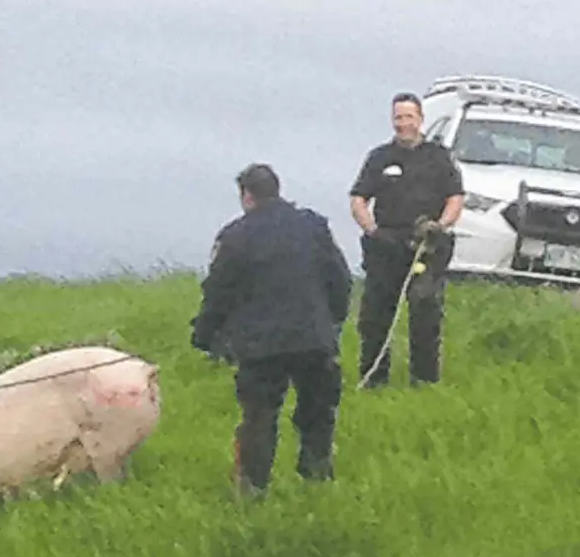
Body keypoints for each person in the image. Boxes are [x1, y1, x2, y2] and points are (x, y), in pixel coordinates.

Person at [190, 163, 353, 499]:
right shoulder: (313, 226)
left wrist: (204, 336)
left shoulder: (235, 236)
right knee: (318, 412)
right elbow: (340, 278)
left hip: (261, 345)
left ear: (246, 196)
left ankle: (253, 489)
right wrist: (332, 321)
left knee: (260, 417)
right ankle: (317, 478)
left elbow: (218, 292)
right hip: (313, 337)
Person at [349, 91, 465, 388]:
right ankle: (374, 378)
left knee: (425, 312)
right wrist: (371, 228)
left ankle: (424, 381)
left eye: (408, 117)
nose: (403, 124)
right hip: (386, 245)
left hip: (428, 246)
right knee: (375, 316)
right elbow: (359, 198)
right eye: (398, 117)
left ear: (420, 119)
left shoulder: (438, 157)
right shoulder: (380, 157)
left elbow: (455, 197)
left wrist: (441, 224)